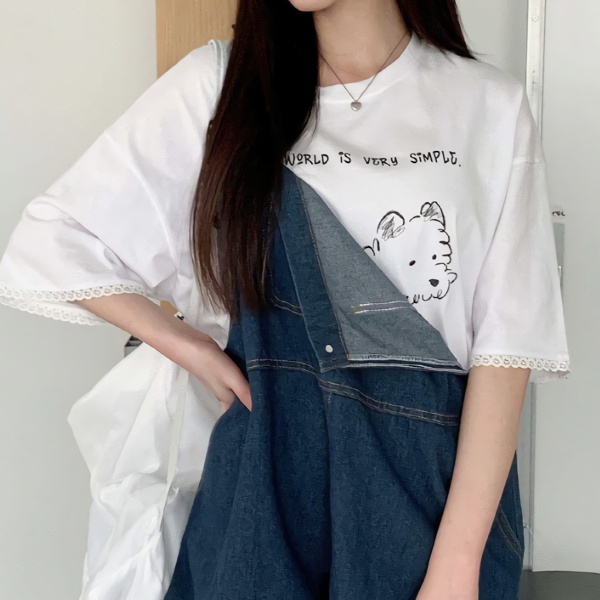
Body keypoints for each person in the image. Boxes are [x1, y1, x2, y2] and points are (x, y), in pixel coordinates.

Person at [0, 0, 570, 598]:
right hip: (264, 477)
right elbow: (55, 236)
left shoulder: (489, 105)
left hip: (429, 492)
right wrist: (190, 347)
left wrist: (458, 561)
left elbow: (505, 348)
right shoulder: (220, 86)